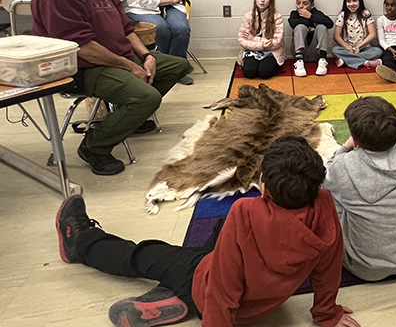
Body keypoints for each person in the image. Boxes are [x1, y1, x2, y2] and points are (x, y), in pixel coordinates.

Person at [55, 135, 361, 327]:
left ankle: (81, 243)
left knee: (144, 254)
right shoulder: (324, 203)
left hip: (207, 287)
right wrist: (327, 314)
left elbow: (223, 284)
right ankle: (176, 298)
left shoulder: (245, 212)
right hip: (258, 306)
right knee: (215, 233)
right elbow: (329, 269)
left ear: (264, 186)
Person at [31, 0, 191, 176]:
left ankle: (127, 117)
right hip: (84, 68)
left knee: (178, 66)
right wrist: (130, 66)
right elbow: (81, 46)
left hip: (120, 58)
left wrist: (147, 56)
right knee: (147, 97)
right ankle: (95, 146)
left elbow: (128, 30)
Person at [323, 97, 396, 281]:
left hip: (362, 266)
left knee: (328, 199)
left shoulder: (342, 165)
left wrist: (344, 148)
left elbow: (323, 182)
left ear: (356, 140)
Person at [237, 0, 285, 80]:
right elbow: (242, 40)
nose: (262, 0)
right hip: (252, 51)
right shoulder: (248, 16)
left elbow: (276, 42)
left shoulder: (277, 17)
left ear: (271, 0)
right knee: (249, 72)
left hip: (271, 51)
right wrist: (262, 45)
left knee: (264, 72)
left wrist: (253, 39)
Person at [331, 0, 382, 69]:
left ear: (360, 1)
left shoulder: (366, 13)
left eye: (355, 0)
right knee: (335, 50)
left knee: (378, 51)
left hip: (364, 48)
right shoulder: (342, 15)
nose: (352, 4)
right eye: (348, 1)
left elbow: (373, 34)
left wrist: (358, 46)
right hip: (347, 49)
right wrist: (349, 48)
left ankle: (346, 59)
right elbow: (336, 36)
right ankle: (365, 63)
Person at [288, 0, 334, 77]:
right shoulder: (294, 14)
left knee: (321, 26)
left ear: (312, 5)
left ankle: (322, 60)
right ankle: (299, 62)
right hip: (300, 52)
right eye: (298, 3)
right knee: (300, 26)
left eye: (305, 4)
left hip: (315, 52)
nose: (301, 6)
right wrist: (311, 22)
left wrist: (311, 16)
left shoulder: (317, 14)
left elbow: (330, 23)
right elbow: (293, 23)